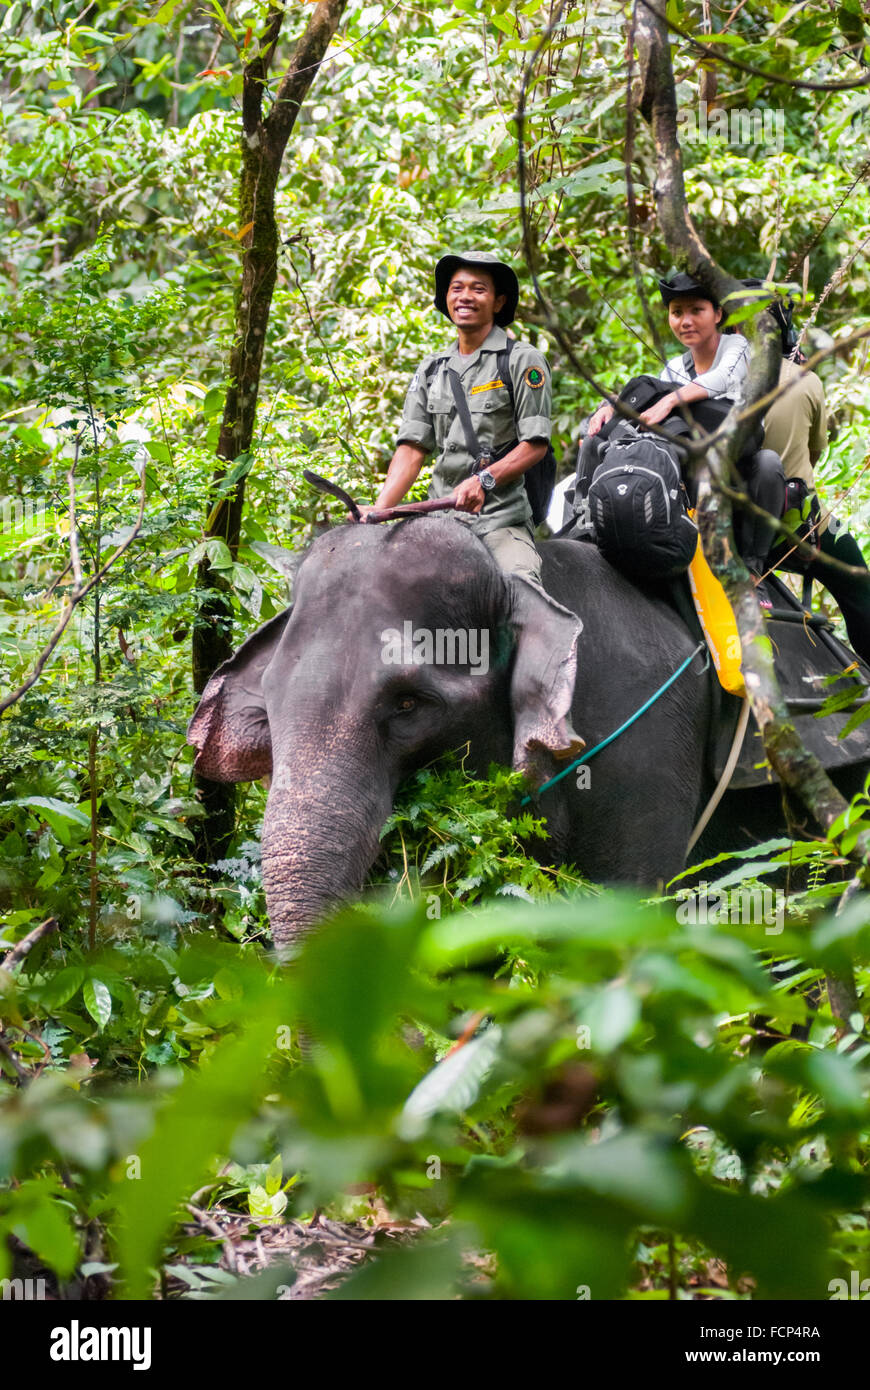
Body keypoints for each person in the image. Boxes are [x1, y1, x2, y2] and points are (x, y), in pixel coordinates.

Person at [573, 272, 785, 576]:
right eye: (677, 313)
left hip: (734, 474)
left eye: (696, 310)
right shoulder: (675, 367)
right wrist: (612, 406)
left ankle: (753, 566)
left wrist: (671, 400)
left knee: (769, 463)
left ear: (717, 314)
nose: (685, 321)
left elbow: (722, 378)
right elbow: (651, 396)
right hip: (689, 478)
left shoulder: (736, 346)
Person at [366, 251, 551, 585]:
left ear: (498, 302)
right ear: (447, 298)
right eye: (457, 288)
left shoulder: (522, 360)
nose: (465, 296)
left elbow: (535, 444)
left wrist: (485, 480)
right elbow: (411, 450)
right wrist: (377, 511)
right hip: (439, 522)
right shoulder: (432, 369)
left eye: (479, 289)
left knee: (522, 591)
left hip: (499, 521)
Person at [761, 303, 870, 662]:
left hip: (725, 524)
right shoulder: (805, 378)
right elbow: (814, 454)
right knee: (858, 579)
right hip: (793, 525)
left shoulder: (703, 376)